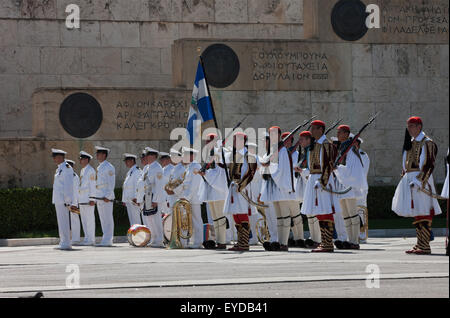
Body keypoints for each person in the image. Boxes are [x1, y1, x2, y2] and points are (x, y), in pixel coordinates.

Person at [392, 117, 442, 254]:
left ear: (419, 126)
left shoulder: (427, 142)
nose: (409, 129)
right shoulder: (411, 142)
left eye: (412, 126)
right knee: (417, 213)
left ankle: (425, 245)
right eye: (408, 126)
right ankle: (420, 243)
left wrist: (420, 181)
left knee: (423, 211)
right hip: (410, 179)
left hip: (420, 180)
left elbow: (429, 164)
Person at [301, 120, 340, 253]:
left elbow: (328, 165)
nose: (311, 131)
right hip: (314, 179)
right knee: (319, 212)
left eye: (313, 129)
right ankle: (325, 242)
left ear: (320, 130)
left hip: (322, 180)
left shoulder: (325, 144)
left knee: (325, 211)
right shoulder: (316, 144)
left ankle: (328, 243)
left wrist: (322, 182)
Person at [260, 128, 300, 252]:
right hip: (273, 187)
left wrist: (269, 167)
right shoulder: (273, 150)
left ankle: (283, 242)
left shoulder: (282, 151)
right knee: (278, 216)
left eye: (274, 134)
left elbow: (281, 170)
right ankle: (277, 242)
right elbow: (265, 166)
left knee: (284, 215)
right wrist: (265, 167)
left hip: (280, 187)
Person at [333, 125, 368, 250]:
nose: (338, 135)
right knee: (346, 215)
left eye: (340, 132)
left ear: (347, 134)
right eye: (337, 132)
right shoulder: (342, 149)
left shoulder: (351, 150)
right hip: (342, 186)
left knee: (352, 215)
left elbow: (353, 170)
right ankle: (348, 239)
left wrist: (338, 168)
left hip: (350, 187)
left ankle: (355, 240)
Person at [223, 132, 257, 251]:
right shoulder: (233, 155)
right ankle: (240, 241)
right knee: (235, 214)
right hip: (233, 187)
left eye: (236, 140)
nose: (234, 143)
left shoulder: (249, 155)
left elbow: (251, 173)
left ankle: (244, 242)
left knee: (242, 213)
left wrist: (241, 186)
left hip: (243, 188)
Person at [197, 133, 228, 249]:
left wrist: (206, 174)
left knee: (220, 217)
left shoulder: (220, 153)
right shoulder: (210, 154)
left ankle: (223, 241)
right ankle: (218, 240)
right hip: (210, 189)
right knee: (214, 218)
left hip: (218, 189)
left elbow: (220, 172)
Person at [294, 131, 321, 248]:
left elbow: (315, 170)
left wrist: (302, 171)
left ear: (309, 140)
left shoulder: (313, 151)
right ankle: (314, 238)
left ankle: (318, 239)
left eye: (302, 140)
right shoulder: (306, 152)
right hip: (306, 184)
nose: (300, 142)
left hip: (313, 184)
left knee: (314, 213)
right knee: (310, 214)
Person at [172, 147, 203, 248]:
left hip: (193, 198)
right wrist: (176, 191)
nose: (183, 157)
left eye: (185, 155)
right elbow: (184, 183)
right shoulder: (189, 167)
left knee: (196, 220)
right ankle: (185, 242)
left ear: (192, 156)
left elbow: (194, 185)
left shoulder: (196, 166)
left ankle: (197, 242)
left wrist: (186, 198)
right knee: (185, 221)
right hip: (186, 197)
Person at [135, 147, 165, 248]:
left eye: (148, 155)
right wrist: (140, 199)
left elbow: (159, 185)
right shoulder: (147, 168)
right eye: (146, 155)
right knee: (149, 220)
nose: (146, 157)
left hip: (153, 198)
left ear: (154, 156)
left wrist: (156, 200)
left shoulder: (157, 168)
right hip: (146, 198)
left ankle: (159, 240)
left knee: (156, 219)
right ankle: (153, 239)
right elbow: (141, 184)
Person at [51, 149, 74, 250]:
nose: (54, 159)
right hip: (59, 199)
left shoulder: (67, 168)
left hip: (63, 200)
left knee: (64, 221)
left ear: (60, 157)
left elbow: (68, 186)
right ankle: (63, 241)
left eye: (55, 157)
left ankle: (66, 242)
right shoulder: (60, 168)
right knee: (61, 221)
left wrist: (67, 201)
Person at [94, 146, 116, 247]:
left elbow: (111, 183)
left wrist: (108, 195)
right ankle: (105, 238)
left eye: (99, 154)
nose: (97, 155)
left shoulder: (109, 167)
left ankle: (108, 239)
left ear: (104, 155)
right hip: (99, 196)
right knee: (103, 219)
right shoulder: (99, 167)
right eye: (97, 154)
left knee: (107, 218)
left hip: (106, 197)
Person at [78, 151, 97, 246]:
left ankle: (91, 239)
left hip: (88, 199)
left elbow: (93, 185)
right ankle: (86, 238)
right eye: (80, 159)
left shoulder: (91, 170)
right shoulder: (82, 170)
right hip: (82, 199)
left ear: (86, 160)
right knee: (84, 220)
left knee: (89, 220)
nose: (80, 161)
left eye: (82, 159)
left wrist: (92, 198)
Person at [354, 138, 370, 243]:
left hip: (360, 187)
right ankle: (352, 235)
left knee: (360, 211)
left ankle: (362, 235)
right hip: (350, 188)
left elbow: (361, 173)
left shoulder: (362, 155)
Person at [122, 153, 142, 226]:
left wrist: (137, 197)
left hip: (134, 200)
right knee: (132, 220)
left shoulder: (137, 171)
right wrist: (124, 200)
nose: (126, 163)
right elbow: (126, 187)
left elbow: (138, 186)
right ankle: (134, 235)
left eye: (127, 161)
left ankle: (139, 236)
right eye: (125, 161)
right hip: (129, 200)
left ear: (132, 161)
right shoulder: (130, 172)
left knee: (136, 220)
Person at [66, 159, 81, 245]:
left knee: (75, 220)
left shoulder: (74, 177)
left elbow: (76, 191)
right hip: (68, 202)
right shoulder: (68, 176)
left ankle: (76, 238)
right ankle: (70, 238)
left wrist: (74, 204)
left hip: (73, 202)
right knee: (69, 221)